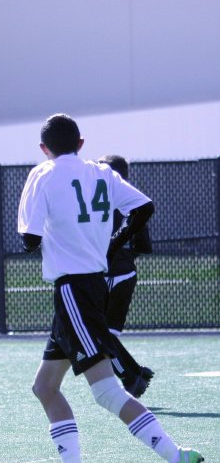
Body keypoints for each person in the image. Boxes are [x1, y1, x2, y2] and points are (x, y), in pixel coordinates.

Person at [17, 114, 203, 463]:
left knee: (105, 391)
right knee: (45, 387)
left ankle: (177, 457)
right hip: (90, 287)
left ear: (43, 148)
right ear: (81, 143)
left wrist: (54, 232)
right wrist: (111, 244)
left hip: (72, 289)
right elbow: (144, 207)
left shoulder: (42, 174)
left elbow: (29, 240)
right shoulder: (101, 172)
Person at [98, 154, 154, 397]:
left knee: (96, 334)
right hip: (126, 274)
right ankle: (131, 373)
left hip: (100, 274)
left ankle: (132, 375)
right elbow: (144, 246)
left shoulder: (95, 203)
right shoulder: (133, 202)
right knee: (107, 333)